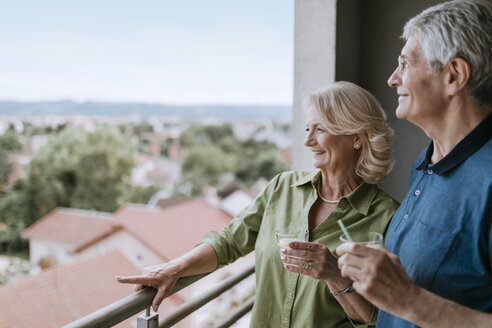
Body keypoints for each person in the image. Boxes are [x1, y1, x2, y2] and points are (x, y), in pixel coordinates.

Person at [116, 81, 399, 327]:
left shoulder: (388, 218)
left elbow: (382, 317)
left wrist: (334, 275)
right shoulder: (282, 188)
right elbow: (229, 242)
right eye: (307, 129)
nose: (307, 141)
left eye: (320, 129)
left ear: (356, 138)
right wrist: (174, 268)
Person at [336, 1, 492, 327]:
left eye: (405, 63)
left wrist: (410, 301)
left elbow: (408, 299)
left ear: (454, 76)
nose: (393, 79)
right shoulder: (427, 160)